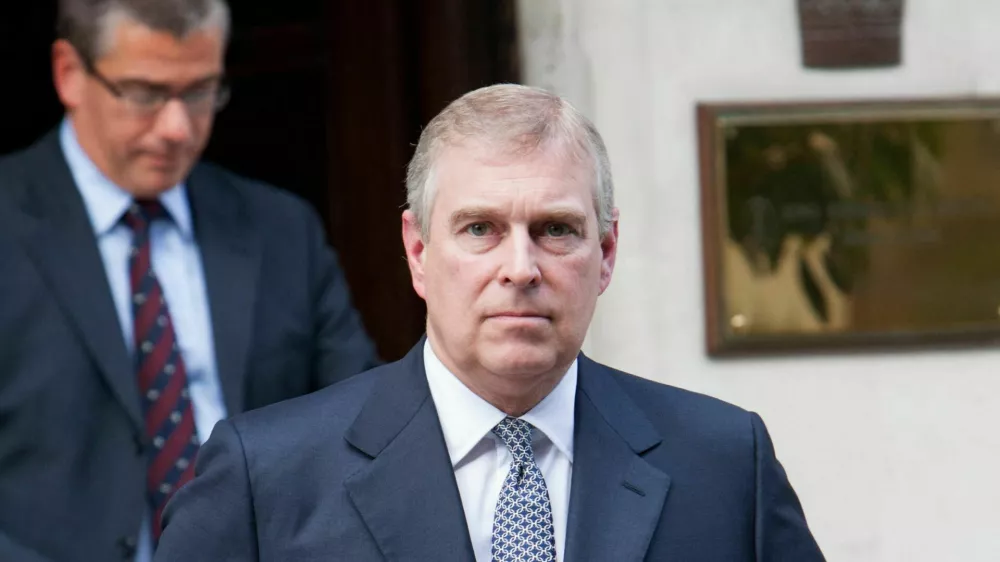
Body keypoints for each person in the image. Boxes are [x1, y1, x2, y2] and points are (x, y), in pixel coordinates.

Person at [154, 84, 825, 561]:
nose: (521, 267)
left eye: (556, 229)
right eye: (481, 229)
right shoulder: (266, 476)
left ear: (608, 253)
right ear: (418, 252)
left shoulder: (725, 463)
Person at [0, 0, 379, 560]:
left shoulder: (279, 230)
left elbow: (365, 428)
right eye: (146, 94)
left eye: (200, 91)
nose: (177, 127)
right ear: (70, 74)